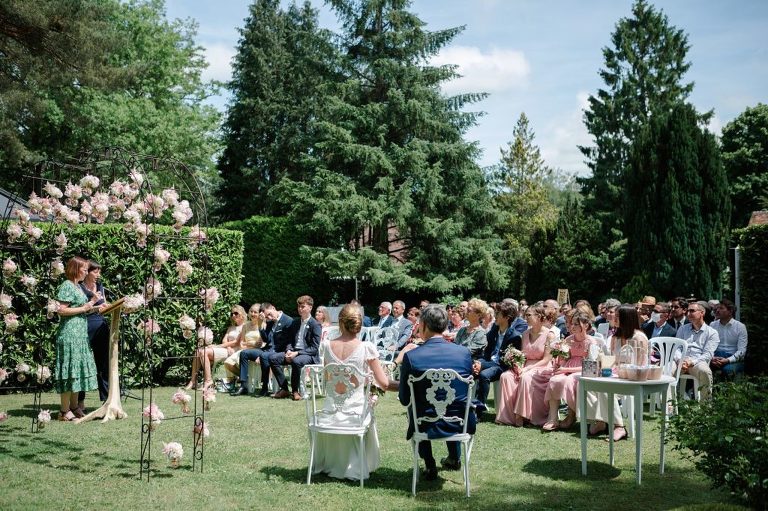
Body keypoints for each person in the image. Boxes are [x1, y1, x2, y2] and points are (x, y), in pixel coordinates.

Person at [311, 304, 392, 481]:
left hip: (330, 411)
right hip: (354, 414)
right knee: (369, 404)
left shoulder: (326, 346)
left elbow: (328, 378)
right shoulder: (366, 347)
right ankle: (355, 465)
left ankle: (331, 463)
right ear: (359, 324)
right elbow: (384, 383)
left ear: (339, 322)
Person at [398, 304, 477, 480]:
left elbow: (404, 399)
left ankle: (429, 463)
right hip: (459, 422)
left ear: (423, 324)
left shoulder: (412, 356)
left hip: (424, 422)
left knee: (416, 408)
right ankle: (455, 457)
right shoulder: (463, 353)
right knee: (454, 403)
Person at [587, 304, 643, 440]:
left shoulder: (639, 338)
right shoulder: (615, 338)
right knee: (587, 386)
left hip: (632, 378)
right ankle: (601, 420)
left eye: (618, 316)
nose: (614, 318)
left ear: (627, 318)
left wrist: (620, 372)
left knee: (606, 387)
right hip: (615, 375)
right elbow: (612, 360)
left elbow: (641, 365)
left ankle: (619, 426)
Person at [54, 256, 100, 421]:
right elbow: (61, 310)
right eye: (84, 269)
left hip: (79, 336)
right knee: (69, 373)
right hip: (69, 335)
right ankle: (64, 411)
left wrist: (94, 305)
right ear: (75, 269)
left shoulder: (78, 287)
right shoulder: (67, 285)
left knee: (76, 372)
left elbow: (82, 309)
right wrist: (85, 307)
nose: (86, 272)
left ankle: (74, 407)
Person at [543, 309, 596, 431]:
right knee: (554, 380)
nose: (572, 326)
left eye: (576, 324)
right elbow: (563, 358)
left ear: (586, 325)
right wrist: (558, 363)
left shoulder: (591, 341)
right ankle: (553, 418)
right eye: (572, 323)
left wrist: (565, 369)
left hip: (582, 369)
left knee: (570, 380)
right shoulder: (568, 339)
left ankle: (571, 415)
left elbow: (590, 365)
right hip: (567, 367)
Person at [508, 302, 556, 427]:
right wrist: (518, 366)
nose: (526, 317)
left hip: (542, 367)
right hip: (526, 365)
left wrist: (529, 368)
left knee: (525, 377)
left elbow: (546, 359)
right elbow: (523, 356)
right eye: (525, 315)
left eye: (529, 315)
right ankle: (507, 416)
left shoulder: (549, 335)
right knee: (506, 376)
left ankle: (522, 415)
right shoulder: (524, 334)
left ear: (539, 316)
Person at [474, 300, 524, 415]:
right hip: (489, 362)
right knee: (471, 368)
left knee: (483, 375)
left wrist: (482, 364)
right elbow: (487, 352)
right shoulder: (494, 330)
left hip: (502, 366)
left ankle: (478, 410)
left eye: (498, 314)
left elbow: (506, 362)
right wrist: (479, 362)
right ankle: (464, 405)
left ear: (507, 318)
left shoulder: (514, 336)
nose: (495, 316)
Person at [234, 302, 293, 396]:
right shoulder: (269, 321)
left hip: (278, 351)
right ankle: (243, 385)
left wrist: (263, 355)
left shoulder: (288, 320)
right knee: (244, 353)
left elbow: (288, 341)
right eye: (266, 316)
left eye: (269, 314)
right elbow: (266, 339)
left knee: (264, 356)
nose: (268, 317)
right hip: (267, 349)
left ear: (273, 308)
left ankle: (264, 387)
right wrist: (261, 324)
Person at [270, 295, 322, 400]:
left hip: (308, 354)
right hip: (294, 352)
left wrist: (297, 353)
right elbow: (290, 340)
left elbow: (314, 348)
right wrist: (289, 350)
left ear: (310, 308)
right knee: (273, 358)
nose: (300, 309)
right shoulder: (295, 322)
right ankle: (284, 388)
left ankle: (295, 391)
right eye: (299, 307)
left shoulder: (315, 325)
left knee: (296, 361)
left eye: (303, 307)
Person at [186, 305, 245, 390]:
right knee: (198, 351)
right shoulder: (231, 327)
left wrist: (218, 346)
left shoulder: (244, 327)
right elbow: (224, 340)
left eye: (236, 313)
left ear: (242, 314)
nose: (233, 316)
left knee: (204, 352)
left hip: (234, 352)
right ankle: (193, 381)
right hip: (226, 349)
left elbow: (236, 342)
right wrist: (226, 346)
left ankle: (208, 380)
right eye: (232, 314)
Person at [77, 260, 110, 411]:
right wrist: (96, 307)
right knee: (82, 363)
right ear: (87, 272)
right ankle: (79, 401)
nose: (98, 275)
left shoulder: (101, 287)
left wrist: (108, 306)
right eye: (95, 271)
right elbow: (80, 309)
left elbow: (105, 304)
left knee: (103, 363)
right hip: (84, 326)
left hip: (101, 326)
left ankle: (106, 399)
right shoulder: (80, 288)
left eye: (99, 272)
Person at [676, 301, 720, 400]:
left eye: (692, 311)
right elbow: (677, 348)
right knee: (666, 368)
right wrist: (680, 360)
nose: (688, 314)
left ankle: (705, 405)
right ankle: (668, 405)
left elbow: (708, 354)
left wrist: (692, 362)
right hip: (681, 361)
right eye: (687, 311)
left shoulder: (712, 333)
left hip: (697, 362)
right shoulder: (682, 329)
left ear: (702, 313)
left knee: (705, 371)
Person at [223, 304, 263, 388]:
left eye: (255, 312)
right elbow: (241, 343)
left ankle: (245, 380)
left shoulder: (262, 325)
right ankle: (246, 377)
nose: (252, 314)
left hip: (258, 351)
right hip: (244, 350)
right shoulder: (245, 326)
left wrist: (249, 344)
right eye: (251, 311)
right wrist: (252, 344)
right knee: (227, 363)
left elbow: (261, 343)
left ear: (260, 313)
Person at [709, 299, 747, 377]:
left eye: (721, 308)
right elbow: (708, 345)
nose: (717, 310)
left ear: (730, 311)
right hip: (715, 356)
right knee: (702, 367)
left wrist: (727, 360)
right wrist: (712, 358)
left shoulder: (740, 327)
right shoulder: (712, 325)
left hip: (732, 358)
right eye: (717, 308)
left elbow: (742, 351)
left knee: (728, 371)